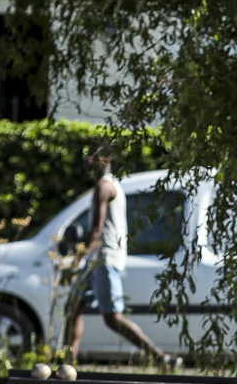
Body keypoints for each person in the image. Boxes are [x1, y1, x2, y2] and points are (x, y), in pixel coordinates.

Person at [66, 142, 164, 362]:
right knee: (72, 306)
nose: (89, 159)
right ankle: (67, 359)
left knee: (112, 318)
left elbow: (95, 230)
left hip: (104, 259)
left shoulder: (104, 187)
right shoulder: (108, 185)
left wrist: (73, 264)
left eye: (94, 156)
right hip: (96, 259)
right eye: (88, 155)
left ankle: (160, 357)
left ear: (107, 160)